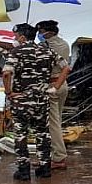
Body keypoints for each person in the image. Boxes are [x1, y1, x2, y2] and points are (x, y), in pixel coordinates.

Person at [2, 22, 56, 181]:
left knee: (21, 134)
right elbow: (66, 67)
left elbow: (6, 73)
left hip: (21, 101)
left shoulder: (16, 52)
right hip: (41, 100)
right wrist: (56, 86)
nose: (15, 39)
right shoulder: (46, 50)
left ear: (22, 37)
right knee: (42, 133)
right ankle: (45, 167)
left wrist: (8, 92)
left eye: (16, 36)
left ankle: (23, 170)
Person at [35, 20, 71, 171]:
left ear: (47, 33)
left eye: (40, 32)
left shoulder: (46, 47)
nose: (39, 35)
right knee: (57, 121)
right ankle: (50, 156)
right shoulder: (64, 44)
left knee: (52, 124)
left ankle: (58, 157)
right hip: (62, 85)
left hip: (52, 85)